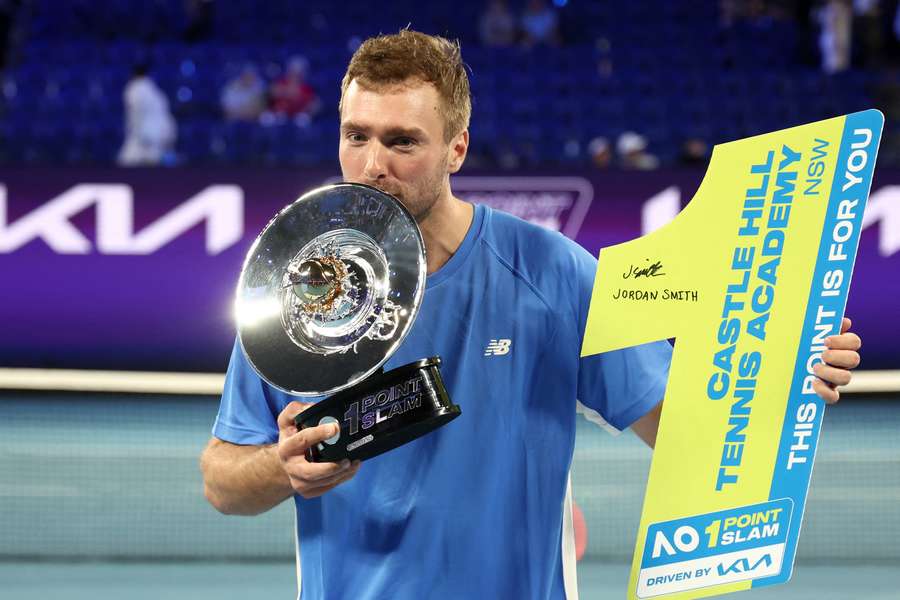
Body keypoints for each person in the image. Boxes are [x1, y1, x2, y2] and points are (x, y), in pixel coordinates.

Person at [200, 30, 863, 600]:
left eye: (403, 141)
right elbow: (223, 480)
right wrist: (280, 468)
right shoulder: (299, 284)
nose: (374, 165)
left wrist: (788, 369)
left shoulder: (552, 272)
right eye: (356, 135)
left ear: (457, 149)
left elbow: (687, 429)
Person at [117, 63, 177, 167]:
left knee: (129, 163)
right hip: (161, 133)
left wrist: (135, 134)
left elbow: (134, 114)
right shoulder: (155, 90)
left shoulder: (133, 89)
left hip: (145, 136)